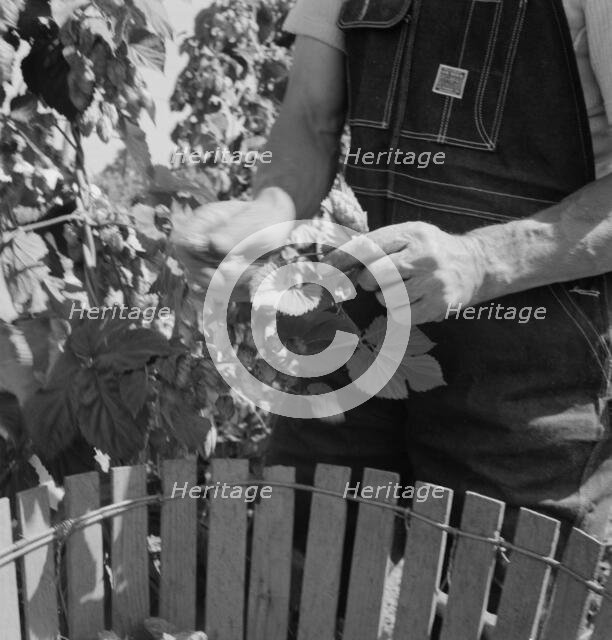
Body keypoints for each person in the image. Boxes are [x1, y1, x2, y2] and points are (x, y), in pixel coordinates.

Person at [178, 0, 612, 545]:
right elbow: (312, 120)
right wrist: (265, 214)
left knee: (490, 600)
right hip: (347, 344)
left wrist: (480, 260)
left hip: (527, 377)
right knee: (304, 574)